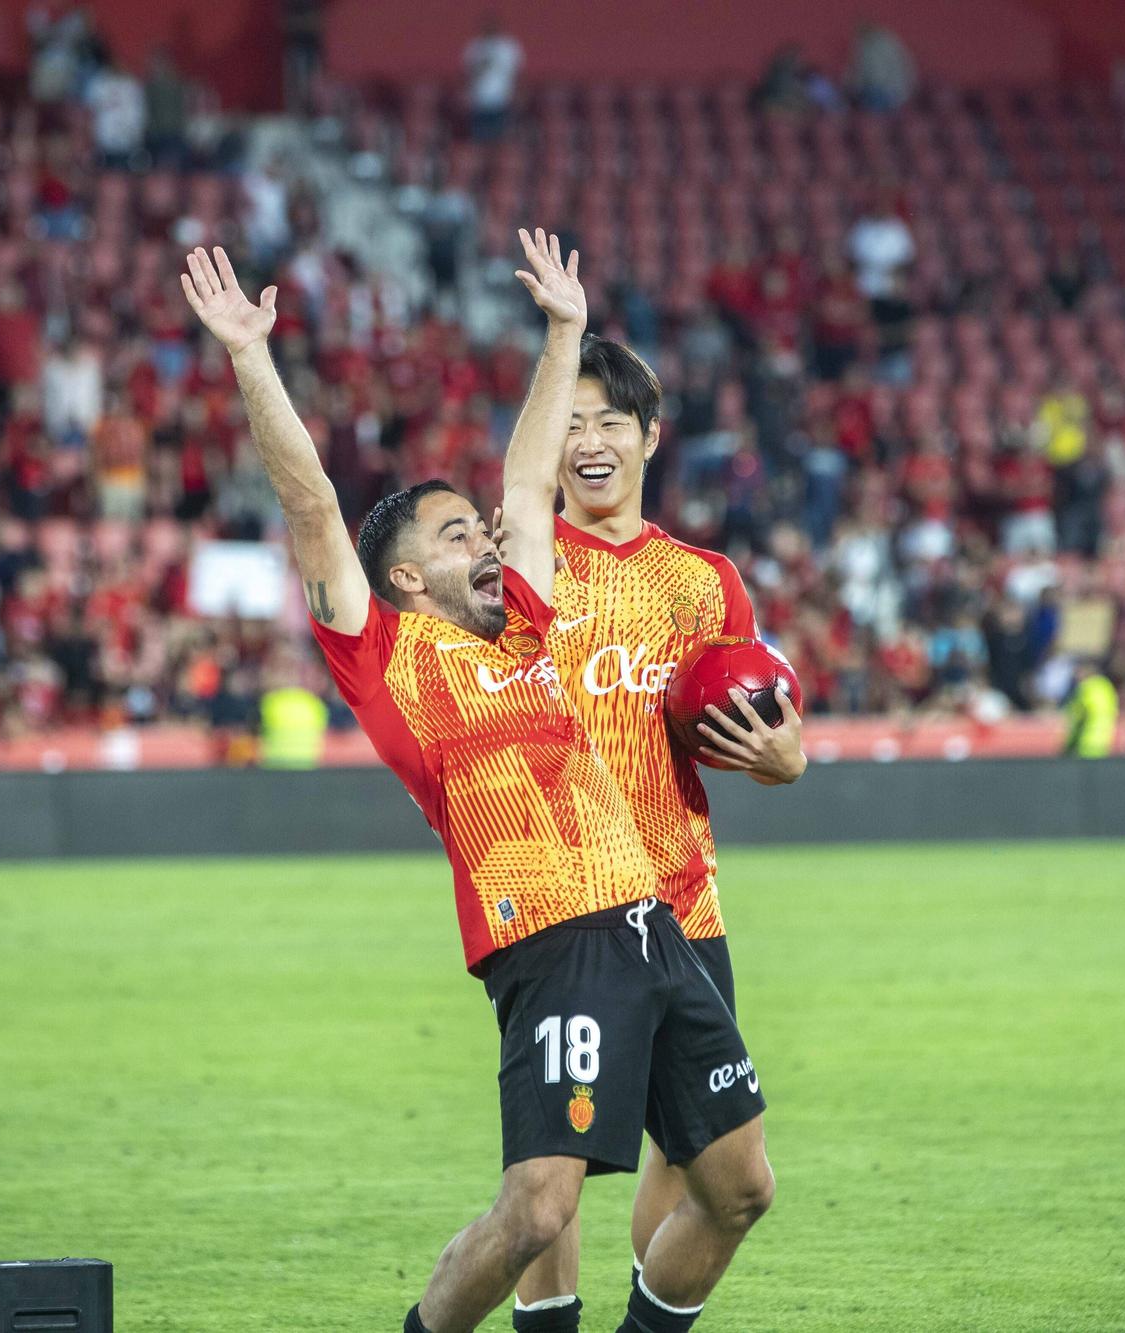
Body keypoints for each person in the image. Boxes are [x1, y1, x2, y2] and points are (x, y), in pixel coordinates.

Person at [179, 235, 771, 1333]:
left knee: (740, 1187)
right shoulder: (384, 657)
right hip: (551, 937)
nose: (489, 534)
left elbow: (525, 479)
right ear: (404, 575)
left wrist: (560, 331)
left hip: (654, 921)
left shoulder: (527, 633)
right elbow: (311, 507)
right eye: (458, 534)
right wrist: (251, 361)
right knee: (538, 1209)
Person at [514, 335, 805, 1332]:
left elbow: (751, 719)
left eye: (609, 421)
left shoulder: (706, 581)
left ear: (648, 436)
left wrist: (784, 760)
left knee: (696, 1170)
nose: (588, 440)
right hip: (563, 907)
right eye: (570, 422)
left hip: (686, 906)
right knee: (551, 1169)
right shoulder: (520, 567)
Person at [463, 14, 523, 142]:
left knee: (500, 138)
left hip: (502, 99)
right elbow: (467, 74)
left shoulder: (508, 48)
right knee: (479, 138)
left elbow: (517, 74)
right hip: (479, 100)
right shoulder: (475, 48)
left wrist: (518, 94)